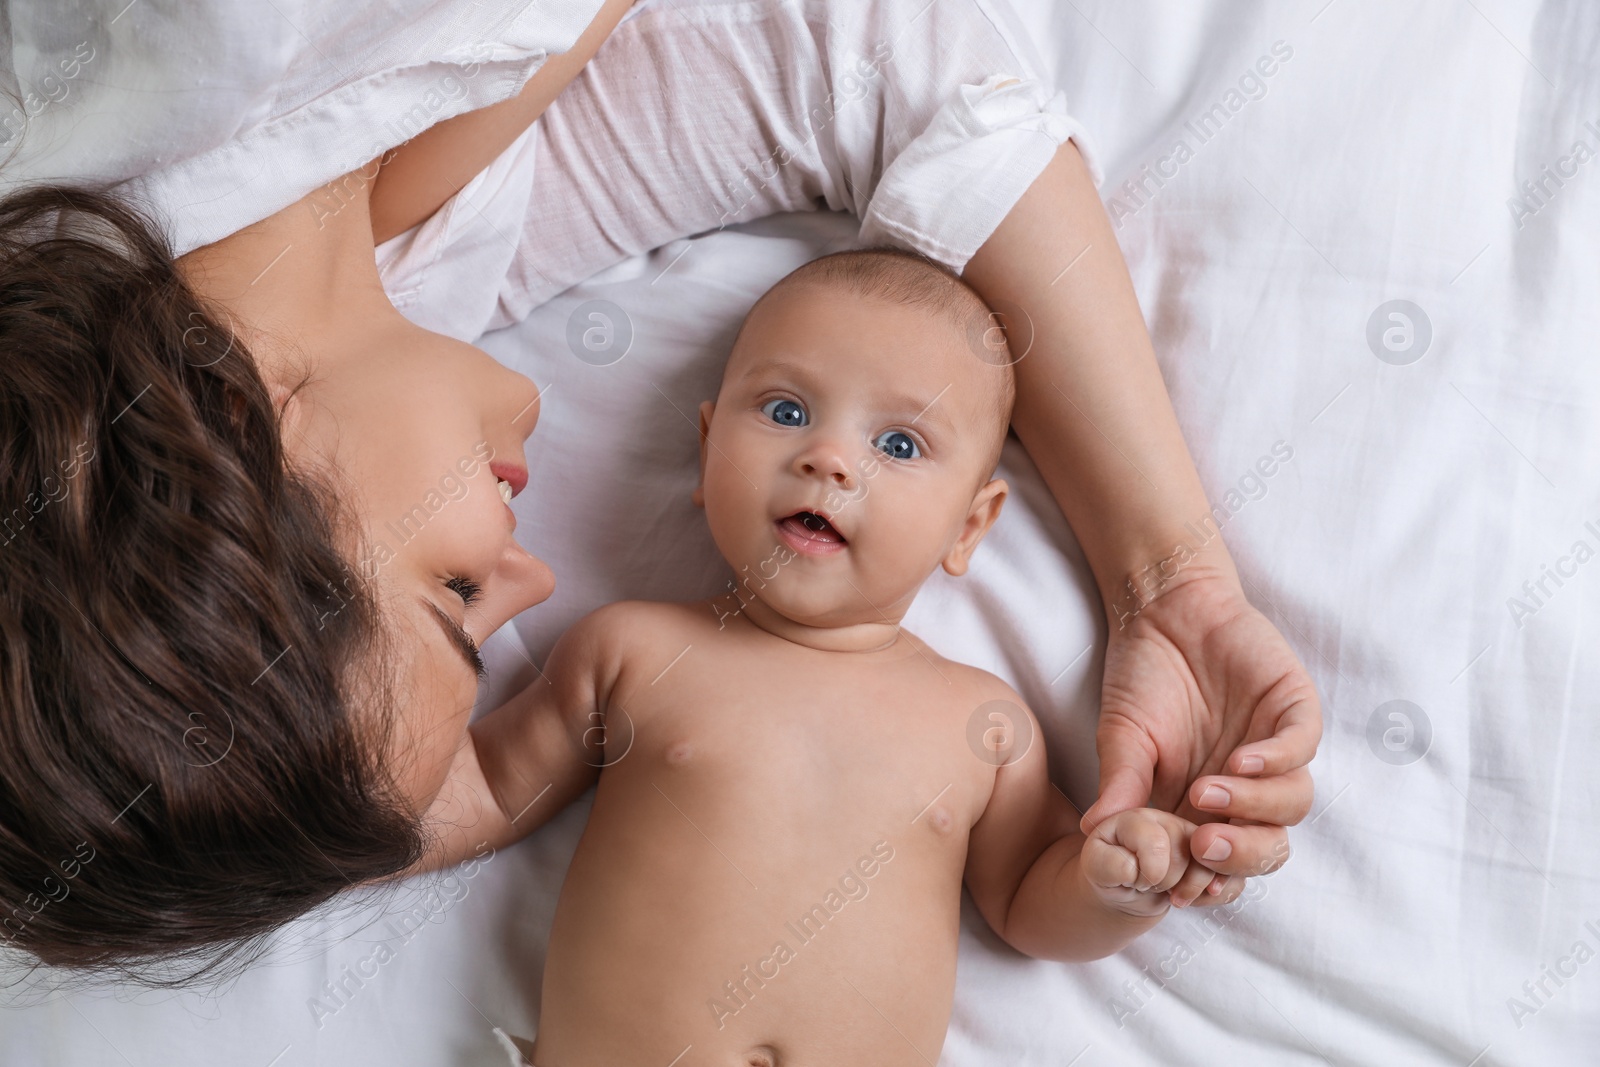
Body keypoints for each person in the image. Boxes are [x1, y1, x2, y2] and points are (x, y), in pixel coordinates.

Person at [0, 0, 1316, 974]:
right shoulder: (422, 283)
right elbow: (877, 68)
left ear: (243, 446)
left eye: (453, 590)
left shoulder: (168, 54)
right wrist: (1170, 577)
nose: (534, 575)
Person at [430, 247, 1218, 1065]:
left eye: (900, 445)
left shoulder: (984, 725)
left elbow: (1028, 899)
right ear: (706, 452)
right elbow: (484, 788)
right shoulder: (633, 650)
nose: (829, 458)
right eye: (785, 410)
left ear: (968, 528)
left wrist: (1114, 885)